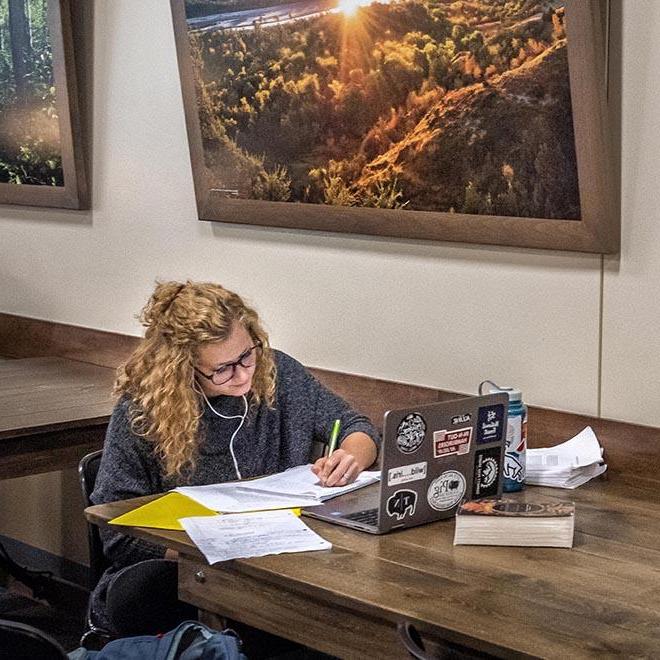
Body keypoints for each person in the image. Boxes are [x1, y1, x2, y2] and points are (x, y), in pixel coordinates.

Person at [90, 280, 380, 642]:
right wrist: (205, 551)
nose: (243, 375)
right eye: (222, 369)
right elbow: (116, 529)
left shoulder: (277, 374)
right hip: (178, 572)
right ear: (181, 368)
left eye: (247, 356)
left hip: (277, 562)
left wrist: (350, 456)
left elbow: (358, 427)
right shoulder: (143, 411)